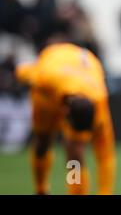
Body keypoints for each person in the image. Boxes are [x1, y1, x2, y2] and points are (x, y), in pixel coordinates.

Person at [16, 43, 115, 195]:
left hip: (79, 72)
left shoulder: (99, 99)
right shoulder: (45, 78)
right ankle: (41, 189)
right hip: (47, 89)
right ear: (66, 112)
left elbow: (106, 155)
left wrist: (105, 192)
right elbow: (22, 71)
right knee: (43, 141)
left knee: (74, 155)